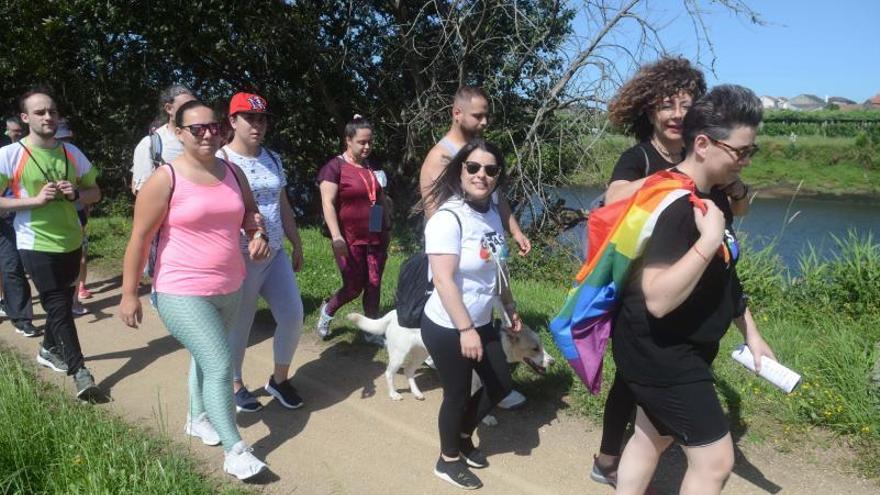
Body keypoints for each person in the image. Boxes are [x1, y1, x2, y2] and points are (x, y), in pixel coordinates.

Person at [612, 85, 776, 495]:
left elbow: (725, 275)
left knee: (653, 437)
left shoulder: (713, 196)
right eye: (740, 151)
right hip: (661, 350)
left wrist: (752, 334)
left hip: (680, 345)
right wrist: (706, 241)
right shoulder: (677, 203)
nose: (746, 160)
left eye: (751, 151)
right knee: (716, 461)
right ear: (703, 144)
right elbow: (658, 297)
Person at [118, 100, 270, 480]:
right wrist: (128, 292)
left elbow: (252, 216)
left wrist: (258, 235)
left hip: (230, 283)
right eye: (197, 128)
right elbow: (139, 238)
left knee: (206, 357)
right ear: (179, 132)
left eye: (213, 126)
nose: (207, 133)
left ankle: (195, 417)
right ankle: (235, 449)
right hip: (179, 288)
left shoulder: (234, 173)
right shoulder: (164, 179)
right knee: (221, 363)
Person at [592, 56, 713, 487]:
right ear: (650, 111)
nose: (678, 114)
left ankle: (629, 453)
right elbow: (613, 196)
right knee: (631, 379)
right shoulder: (640, 157)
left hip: (684, 286)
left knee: (644, 380)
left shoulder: (701, 152)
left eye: (686, 104)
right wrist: (672, 179)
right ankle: (608, 458)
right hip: (638, 293)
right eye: (667, 104)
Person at [419, 138, 521, 489]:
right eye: (473, 167)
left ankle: (463, 437)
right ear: (460, 170)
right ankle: (447, 461)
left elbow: (497, 267)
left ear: (497, 176)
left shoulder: (492, 212)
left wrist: (509, 306)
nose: (481, 175)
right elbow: (444, 281)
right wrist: (465, 330)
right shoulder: (448, 218)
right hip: (449, 325)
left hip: (482, 319)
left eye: (490, 169)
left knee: (501, 384)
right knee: (458, 393)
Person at [0, 89, 102, 399]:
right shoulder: (9, 155)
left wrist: (75, 195)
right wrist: (34, 200)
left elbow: (95, 193)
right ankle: (80, 371)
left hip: (70, 240)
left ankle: (48, 349)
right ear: (25, 117)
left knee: (63, 302)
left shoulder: (72, 153)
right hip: (34, 241)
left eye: (52, 111)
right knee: (59, 306)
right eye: (41, 112)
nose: (48, 117)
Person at [219, 92, 306, 413]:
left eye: (261, 118)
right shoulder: (222, 162)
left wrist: (296, 242)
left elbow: (282, 203)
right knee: (241, 324)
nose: (257, 124)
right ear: (232, 121)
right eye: (248, 118)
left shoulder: (272, 158)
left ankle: (279, 380)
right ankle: (235, 383)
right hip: (240, 258)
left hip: (275, 254)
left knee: (293, 315)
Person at [419, 86, 531, 255]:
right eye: (478, 116)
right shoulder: (440, 156)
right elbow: (433, 212)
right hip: (457, 250)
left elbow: (496, 195)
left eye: (486, 116)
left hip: (487, 242)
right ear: (457, 113)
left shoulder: (479, 152)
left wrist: (516, 232)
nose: (484, 122)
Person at [315, 115, 392, 340]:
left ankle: (371, 332)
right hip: (348, 239)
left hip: (375, 239)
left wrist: (383, 232)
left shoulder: (372, 167)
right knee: (353, 286)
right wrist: (337, 236)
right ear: (348, 140)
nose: (367, 146)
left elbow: (377, 201)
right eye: (362, 142)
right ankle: (328, 310)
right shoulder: (335, 167)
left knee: (375, 283)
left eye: (370, 142)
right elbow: (327, 203)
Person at [0, 114, 38, 337]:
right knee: (9, 265)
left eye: (18, 131)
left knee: (14, 266)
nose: (15, 135)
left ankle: (22, 317)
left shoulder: (28, 154)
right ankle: (16, 311)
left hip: (16, 217)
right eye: (11, 131)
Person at [54, 119, 91, 316]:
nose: (66, 142)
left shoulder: (76, 157)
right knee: (59, 263)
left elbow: (91, 189)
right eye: (61, 139)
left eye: (68, 138)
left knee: (80, 258)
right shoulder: (45, 158)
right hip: (51, 221)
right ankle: (61, 302)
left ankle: (74, 299)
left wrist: (85, 206)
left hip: (77, 216)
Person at [130, 84, 196, 194]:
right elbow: (143, 193)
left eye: (194, 106)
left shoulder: (203, 139)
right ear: (169, 109)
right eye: (186, 106)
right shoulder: (150, 144)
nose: (193, 111)